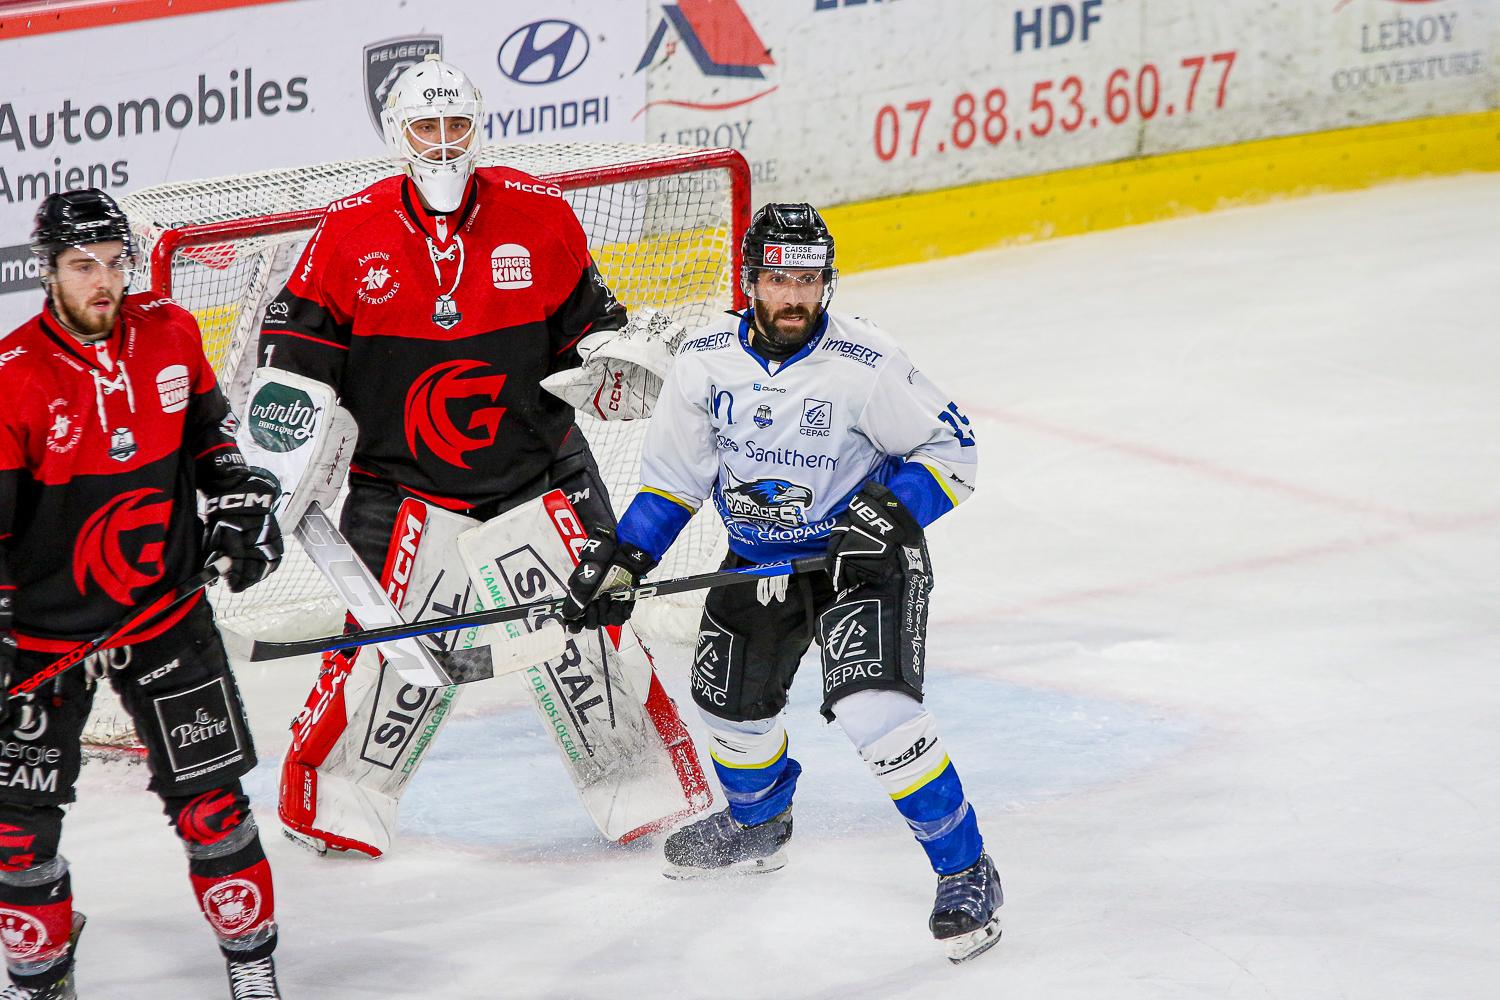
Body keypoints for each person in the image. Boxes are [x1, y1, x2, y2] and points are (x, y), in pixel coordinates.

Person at [258, 55, 683, 857]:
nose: (445, 144)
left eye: (458, 126)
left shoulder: (539, 213)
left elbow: (589, 321)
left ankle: (642, 789)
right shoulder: (350, 229)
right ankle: (336, 806)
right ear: (398, 134)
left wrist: (611, 360)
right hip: (400, 483)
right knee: (386, 660)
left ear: (478, 127)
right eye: (428, 127)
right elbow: (293, 353)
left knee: (596, 634)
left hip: (540, 467)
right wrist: (289, 447)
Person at [563, 204, 1003, 963]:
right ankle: (759, 821)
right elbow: (672, 483)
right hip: (761, 559)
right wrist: (627, 557)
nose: (794, 297)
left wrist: (893, 510)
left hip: (863, 561)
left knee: (876, 712)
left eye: (808, 280)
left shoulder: (867, 361)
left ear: (827, 282)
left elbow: (954, 451)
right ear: (750, 282)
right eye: (777, 280)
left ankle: (967, 870)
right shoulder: (704, 361)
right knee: (728, 708)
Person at [0, 189, 286, 998]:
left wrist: (237, 506)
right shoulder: (14, 378)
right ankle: (41, 976)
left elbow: (214, 448)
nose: (103, 283)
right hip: (47, 641)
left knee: (214, 808)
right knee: (17, 835)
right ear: (48, 270)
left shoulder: (170, 333)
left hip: (163, 616)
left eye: (115, 264)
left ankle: (252, 968)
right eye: (82, 266)